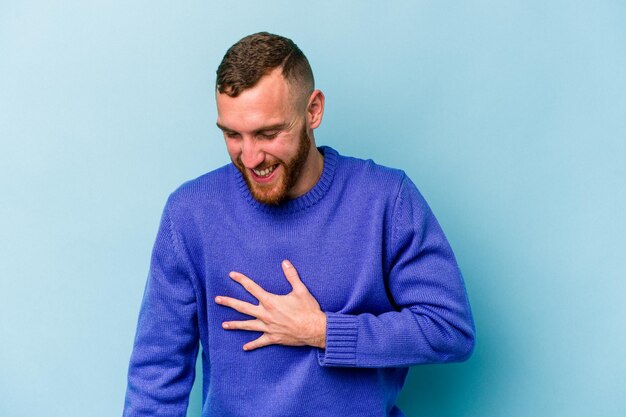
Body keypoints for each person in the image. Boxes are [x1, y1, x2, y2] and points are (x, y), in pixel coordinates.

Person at [123, 32, 475, 417]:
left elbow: (449, 329)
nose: (251, 156)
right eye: (232, 135)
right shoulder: (190, 212)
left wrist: (322, 331)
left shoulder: (385, 199)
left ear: (313, 111)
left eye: (268, 134)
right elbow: (157, 372)